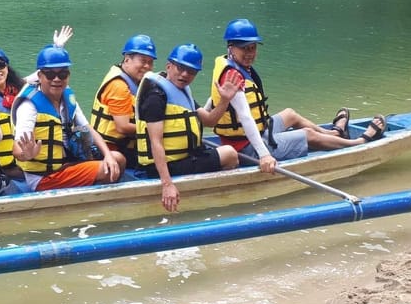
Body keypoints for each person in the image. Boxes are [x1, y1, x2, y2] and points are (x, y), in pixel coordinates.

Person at [211, 18, 387, 174]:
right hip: (247, 148)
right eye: (244, 48)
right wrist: (264, 155)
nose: (250, 53)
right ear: (231, 47)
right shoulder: (232, 76)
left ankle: (333, 133)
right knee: (307, 134)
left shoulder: (227, 63)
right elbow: (246, 118)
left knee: (290, 114)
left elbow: (212, 102)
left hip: (257, 132)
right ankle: (358, 143)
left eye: (253, 48)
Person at [135, 44, 241, 213]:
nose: (185, 74)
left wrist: (225, 100)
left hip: (183, 158)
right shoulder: (155, 95)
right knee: (230, 154)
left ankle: (206, 195)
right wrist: (167, 184)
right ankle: (215, 201)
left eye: (191, 71)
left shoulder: (182, 91)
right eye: (181, 68)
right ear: (169, 66)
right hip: (162, 167)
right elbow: (156, 142)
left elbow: (209, 120)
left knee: (226, 153)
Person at [11, 46, 123, 191]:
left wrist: (107, 155)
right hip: (44, 177)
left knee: (117, 159)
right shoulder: (29, 106)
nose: (56, 79)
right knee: (106, 169)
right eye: (50, 75)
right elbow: (17, 148)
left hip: (67, 163)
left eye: (62, 74)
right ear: (40, 76)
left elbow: (89, 129)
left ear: (68, 75)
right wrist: (26, 154)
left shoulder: (67, 98)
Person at [0, 26, 73, 182]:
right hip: (6, 166)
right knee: (57, 169)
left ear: (7, 67)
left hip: (20, 157)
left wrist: (57, 48)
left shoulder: (14, 88)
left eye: (0, 65)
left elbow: (41, 75)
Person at [90, 34, 157, 170]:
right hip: (111, 150)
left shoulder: (136, 82)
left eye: (150, 62)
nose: (147, 66)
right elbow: (123, 127)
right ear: (127, 60)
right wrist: (156, 129)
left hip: (127, 147)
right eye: (142, 61)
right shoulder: (118, 86)